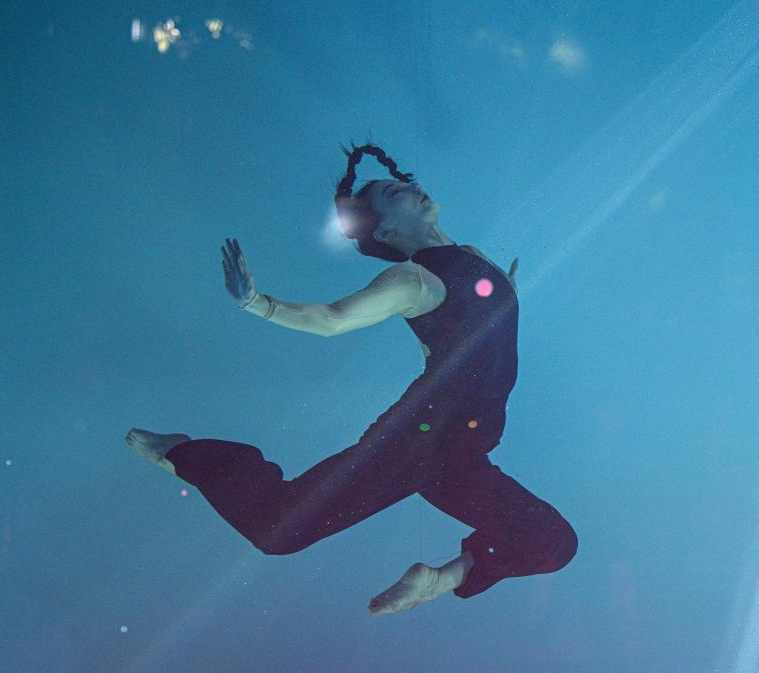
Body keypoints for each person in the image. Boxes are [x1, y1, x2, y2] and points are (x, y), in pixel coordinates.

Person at [126, 143, 577, 615]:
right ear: (385, 230)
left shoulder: (475, 257)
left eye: (406, 184)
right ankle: (184, 454)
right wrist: (257, 303)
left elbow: (480, 331)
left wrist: (501, 292)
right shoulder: (413, 281)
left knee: (554, 542)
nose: (414, 189)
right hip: (421, 435)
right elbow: (333, 319)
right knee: (279, 531)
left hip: (465, 444)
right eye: (395, 193)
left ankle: (438, 581)